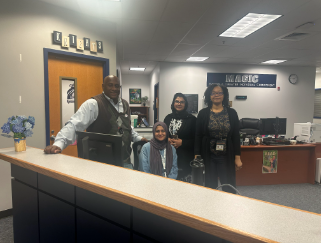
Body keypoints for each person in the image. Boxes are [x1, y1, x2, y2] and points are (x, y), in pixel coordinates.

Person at [44, 75, 148, 169]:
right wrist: (59, 143)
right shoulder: (93, 104)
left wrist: (139, 138)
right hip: (100, 164)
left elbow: (126, 127)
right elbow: (74, 124)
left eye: (117, 86)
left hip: (124, 162)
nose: (114, 89)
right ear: (103, 86)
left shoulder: (125, 104)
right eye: (110, 85)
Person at [194, 84, 242, 193]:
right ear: (209, 96)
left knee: (228, 184)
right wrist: (197, 155)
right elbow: (198, 135)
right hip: (208, 154)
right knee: (210, 185)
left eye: (220, 92)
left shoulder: (232, 113)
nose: (217, 95)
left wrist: (237, 157)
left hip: (226, 155)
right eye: (213, 93)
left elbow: (235, 135)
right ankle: (211, 207)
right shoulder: (203, 113)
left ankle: (229, 207)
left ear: (224, 95)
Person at [164, 93, 196, 180]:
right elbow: (163, 134)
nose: (179, 104)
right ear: (173, 103)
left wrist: (183, 142)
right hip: (169, 155)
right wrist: (167, 139)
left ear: (185, 104)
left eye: (182, 102)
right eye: (177, 101)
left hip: (185, 157)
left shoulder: (192, 120)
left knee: (184, 183)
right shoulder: (168, 118)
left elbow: (196, 140)